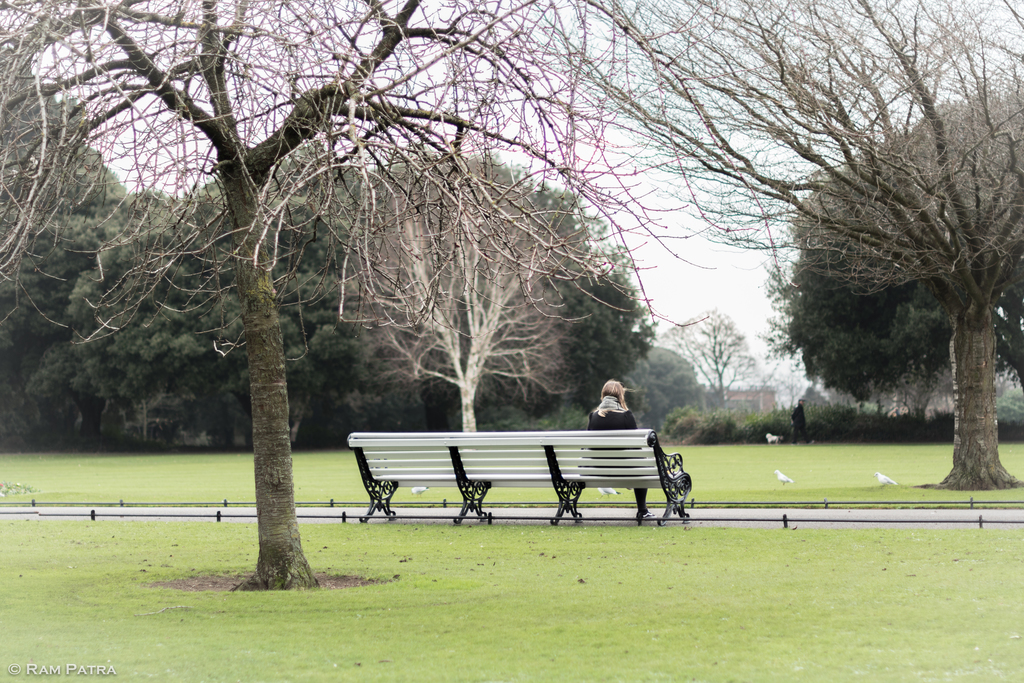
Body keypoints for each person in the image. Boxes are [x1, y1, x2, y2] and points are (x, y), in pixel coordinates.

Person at [587, 379, 654, 519]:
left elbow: (589, 445)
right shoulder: (626, 416)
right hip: (624, 470)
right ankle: (642, 510)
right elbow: (637, 445)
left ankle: (569, 508)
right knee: (643, 465)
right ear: (620, 396)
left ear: (603, 395)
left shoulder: (593, 417)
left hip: (597, 470)